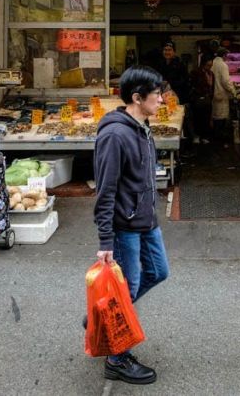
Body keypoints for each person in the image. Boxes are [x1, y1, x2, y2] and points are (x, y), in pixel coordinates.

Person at [93, 66, 170, 385]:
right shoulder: (114, 134)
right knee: (128, 289)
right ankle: (117, 357)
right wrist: (105, 240)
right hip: (124, 226)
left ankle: (102, 317)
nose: (162, 99)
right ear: (137, 98)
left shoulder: (142, 126)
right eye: (156, 94)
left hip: (146, 221)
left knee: (158, 271)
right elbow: (105, 190)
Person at [210, 47, 235, 147]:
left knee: (215, 117)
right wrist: (233, 91)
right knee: (221, 118)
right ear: (224, 55)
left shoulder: (213, 63)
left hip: (214, 93)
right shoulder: (223, 65)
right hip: (221, 94)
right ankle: (220, 141)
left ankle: (216, 139)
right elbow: (226, 81)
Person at [189, 57, 214, 144]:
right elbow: (192, 85)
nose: (209, 67)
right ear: (203, 64)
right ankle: (196, 136)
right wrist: (199, 94)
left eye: (211, 65)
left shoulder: (211, 73)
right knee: (197, 118)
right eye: (208, 65)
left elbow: (212, 87)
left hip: (207, 99)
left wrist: (210, 96)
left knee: (206, 119)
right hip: (197, 99)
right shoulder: (196, 72)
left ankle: (204, 136)